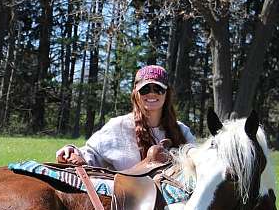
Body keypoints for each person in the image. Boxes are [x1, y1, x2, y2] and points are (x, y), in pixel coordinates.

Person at [56, 65, 195, 170]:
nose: (152, 94)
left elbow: (199, 163)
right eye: (145, 89)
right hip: (126, 203)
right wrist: (71, 150)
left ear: (167, 93)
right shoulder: (118, 126)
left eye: (158, 89)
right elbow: (91, 153)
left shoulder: (183, 131)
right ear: (136, 94)